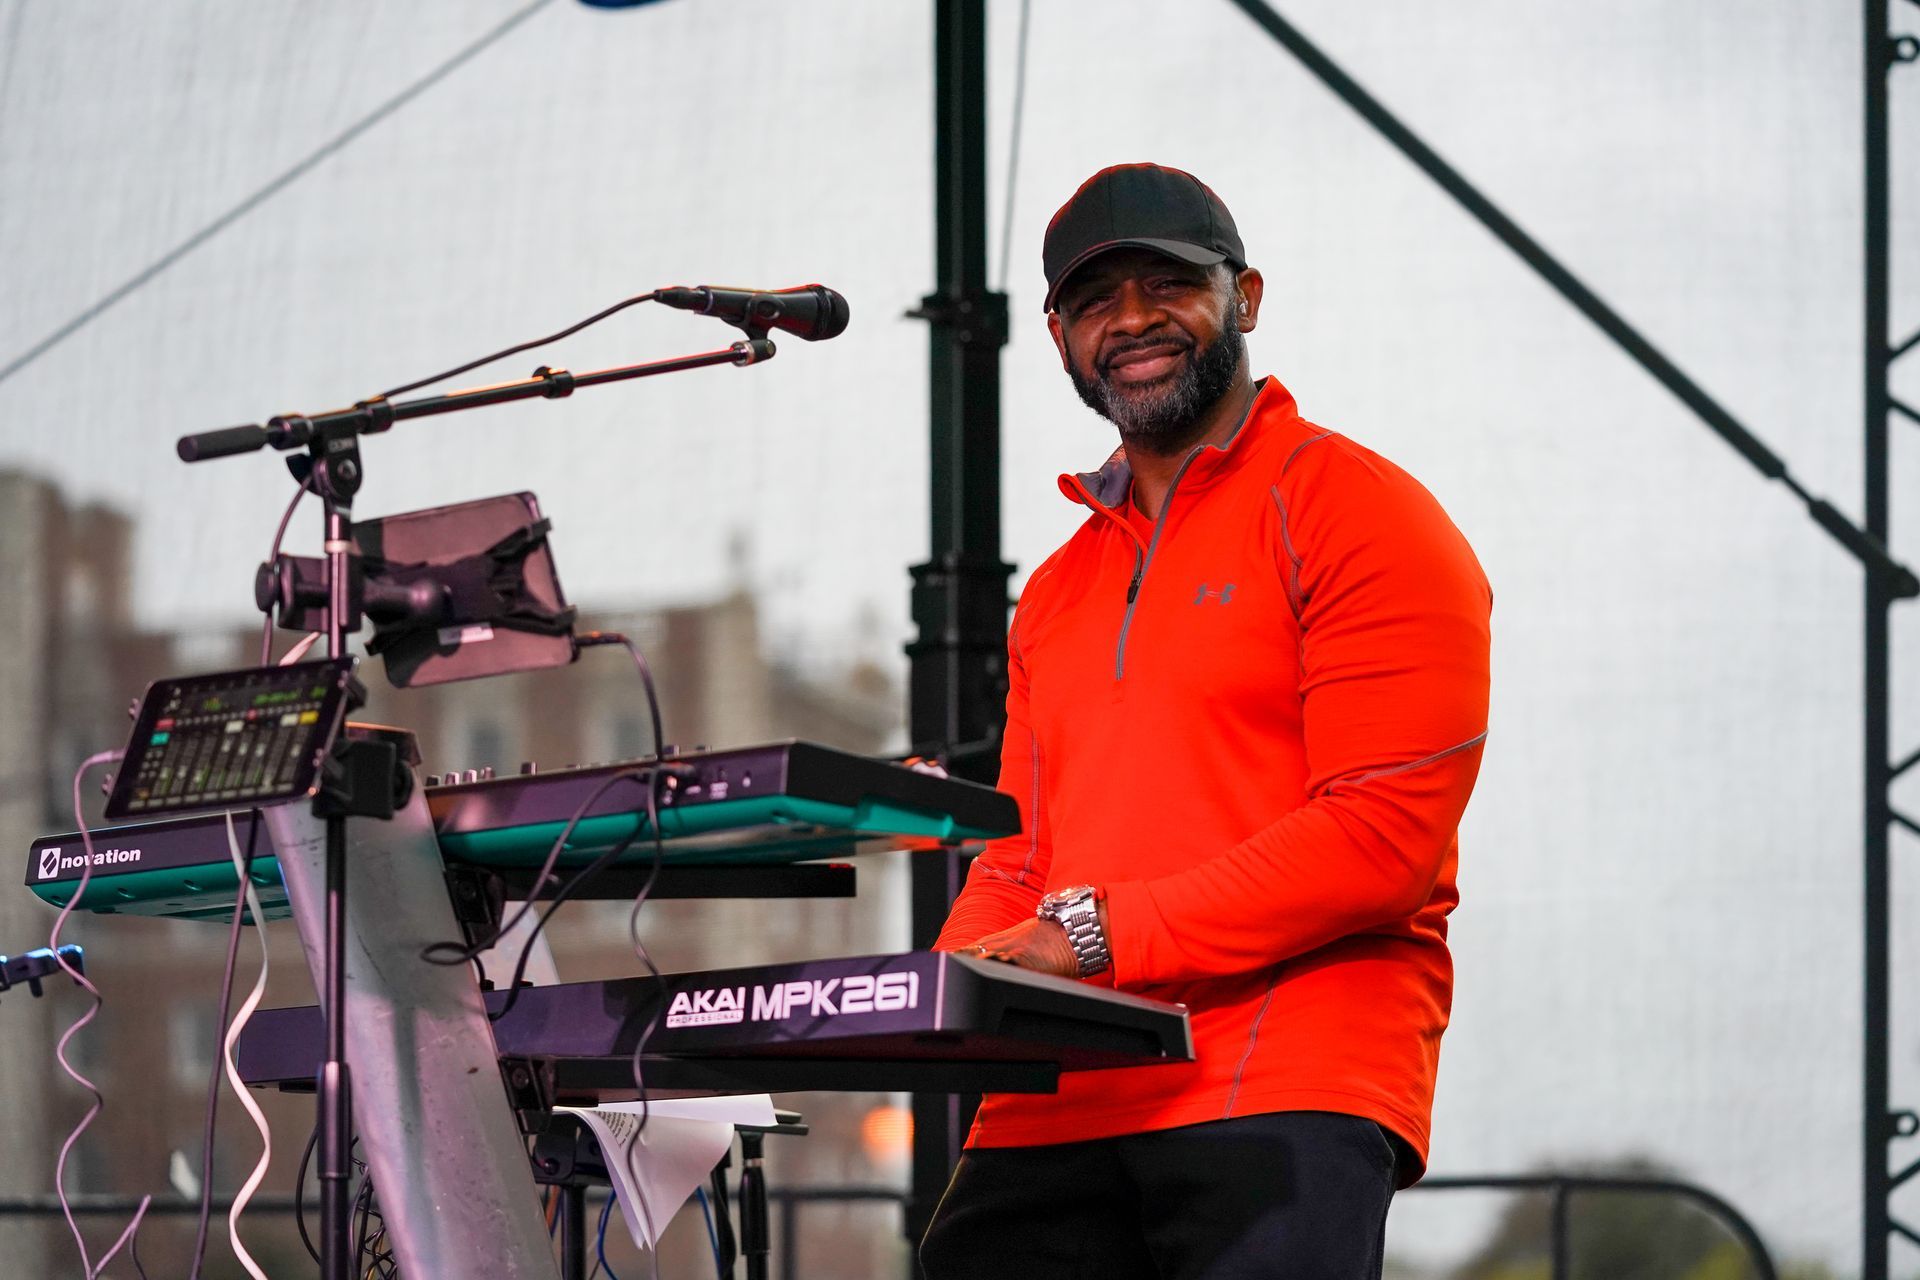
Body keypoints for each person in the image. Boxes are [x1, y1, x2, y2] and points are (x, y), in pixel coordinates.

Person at [917, 163, 1493, 1280]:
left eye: (1165, 284)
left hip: (1285, 1076)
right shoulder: (1058, 587)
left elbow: (1379, 841)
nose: (1130, 320)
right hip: (1054, 1091)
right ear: (1057, 334)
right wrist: (935, 990)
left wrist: (1086, 936)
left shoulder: (1362, 512)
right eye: (1094, 301)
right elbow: (1021, 855)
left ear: (1247, 295)